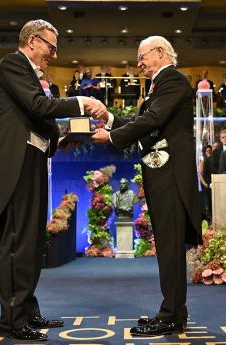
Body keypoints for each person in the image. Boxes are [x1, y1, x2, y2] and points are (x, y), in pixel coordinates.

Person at [0, 19, 106, 342]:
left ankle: (28, 310)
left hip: (34, 163)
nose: (53, 53)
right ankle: (12, 321)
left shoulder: (35, 77)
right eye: (51, 47)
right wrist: (81, 102)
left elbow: (41, 121)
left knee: (33, 242)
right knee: (17, 243)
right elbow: (38, 107)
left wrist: (64, 139)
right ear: (33, 40)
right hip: (15, 169)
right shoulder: (12, 64)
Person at [92, 35, 202, 337]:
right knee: (168, 247)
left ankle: (170, 315)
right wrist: (111, 118)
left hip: (171, 178)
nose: (138, 63)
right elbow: (144, 119)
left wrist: (112, 137)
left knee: (170, 248)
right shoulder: (160, 85)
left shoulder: (174, 81)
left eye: (142, 56)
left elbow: (152, 120)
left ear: (160, 53)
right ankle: (174, 313)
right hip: (162, 176)